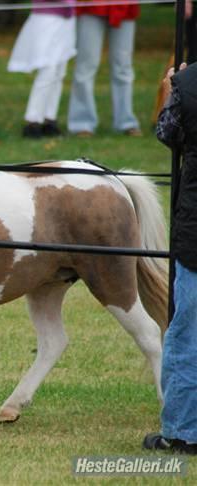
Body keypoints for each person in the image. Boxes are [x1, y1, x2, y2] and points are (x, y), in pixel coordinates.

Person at [142, 62, 197, 455]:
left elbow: (169, 135)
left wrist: (168, 92)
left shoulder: (189, 83)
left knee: (187, 334)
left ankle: (182, 432)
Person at [67, 1, 142, 137]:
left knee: (123, 68)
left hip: (125, 6)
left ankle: (126, 122)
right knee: (85, 67)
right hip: (90, 6)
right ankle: (82, 123)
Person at [7, 0, 76, 138]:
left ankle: (49, 119)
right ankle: (32, 121)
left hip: (67, 17)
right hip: (46, 16)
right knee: (47, 70)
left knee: (59, 72)